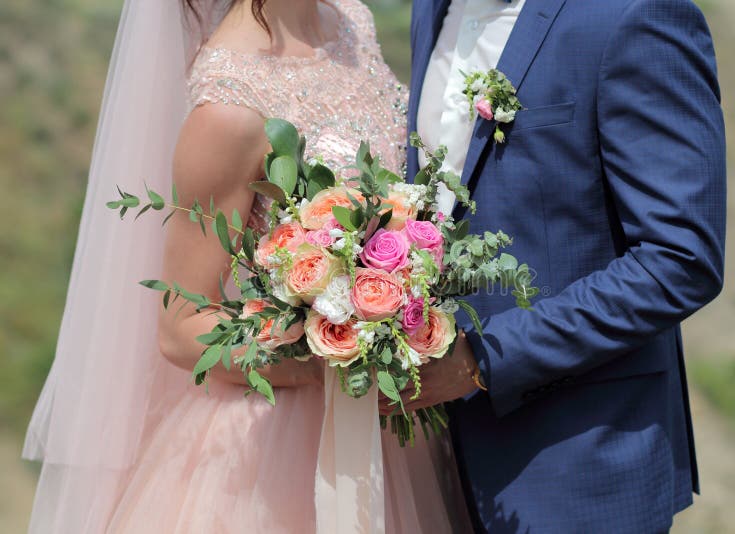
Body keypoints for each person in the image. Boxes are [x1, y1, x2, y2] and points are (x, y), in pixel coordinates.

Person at [22, 0, 471, 532]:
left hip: (391, 435)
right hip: (277, 454)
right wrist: (340, 358)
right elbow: (180, 331)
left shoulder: (351, 19)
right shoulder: (229, 106)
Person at [394, 0, 727, 532]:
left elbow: (679, 260)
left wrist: (482, 361)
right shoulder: (431, 9)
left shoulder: (634, 15)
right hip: (432, 468)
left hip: (577, 467)